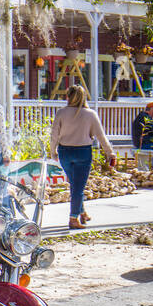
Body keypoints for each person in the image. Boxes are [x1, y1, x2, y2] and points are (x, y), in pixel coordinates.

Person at [50, 85, 116, 229]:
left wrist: (52, 150)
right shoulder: (90, 114)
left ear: (68, 96)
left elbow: (54, 133)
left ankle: (82, 212)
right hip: (83, 152)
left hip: (64, 152)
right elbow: (101, 136)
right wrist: (110, 152)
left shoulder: (61, 113)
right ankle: (73, 218)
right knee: (78, 187)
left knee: (75, 184)